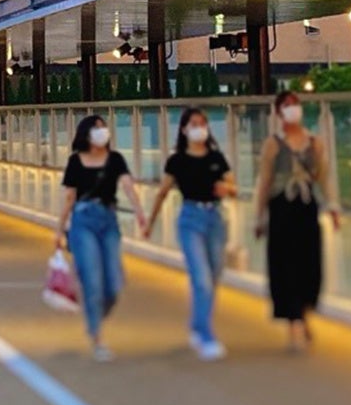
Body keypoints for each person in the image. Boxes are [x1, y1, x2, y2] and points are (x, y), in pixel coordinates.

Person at [143, 107, 236, 361]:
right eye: (194, 124)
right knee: (202, 278)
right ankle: (206, 335)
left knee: (214, 274)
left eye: (203, 123)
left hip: (215, 218)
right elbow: (162, 192)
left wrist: (225, 188)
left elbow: (232, 184)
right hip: (190, 218)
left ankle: (197, 324)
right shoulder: (177, 161)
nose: (200, 128)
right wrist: (149, 222)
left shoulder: (216, 157)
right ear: (184, 129)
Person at [53, 115, 145, 362]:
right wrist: (60, 229)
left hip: (108, 220)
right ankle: (97, 337)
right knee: (92, 280)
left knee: (114, 282)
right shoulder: (75, 161)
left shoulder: (115, 160)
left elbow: (127, 186)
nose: (102, 133)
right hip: (83, 221)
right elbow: (69, 197)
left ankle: (97, 314)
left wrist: (140, 213)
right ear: (86, 134)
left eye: (104, 128)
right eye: (96, 129)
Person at [253, 91, 340, 352]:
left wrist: (333, 206)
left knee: (309, 264)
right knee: (285, 265)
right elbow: (264, 181)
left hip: (306, 207)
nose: (293, 110)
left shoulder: (315, 143)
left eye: (295, 105)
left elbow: (324, 176)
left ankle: (303, 314)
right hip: (281, 208)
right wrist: (259, 216)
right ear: (279, 114)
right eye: (287, 106)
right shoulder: (273, 144)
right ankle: (294, 326)